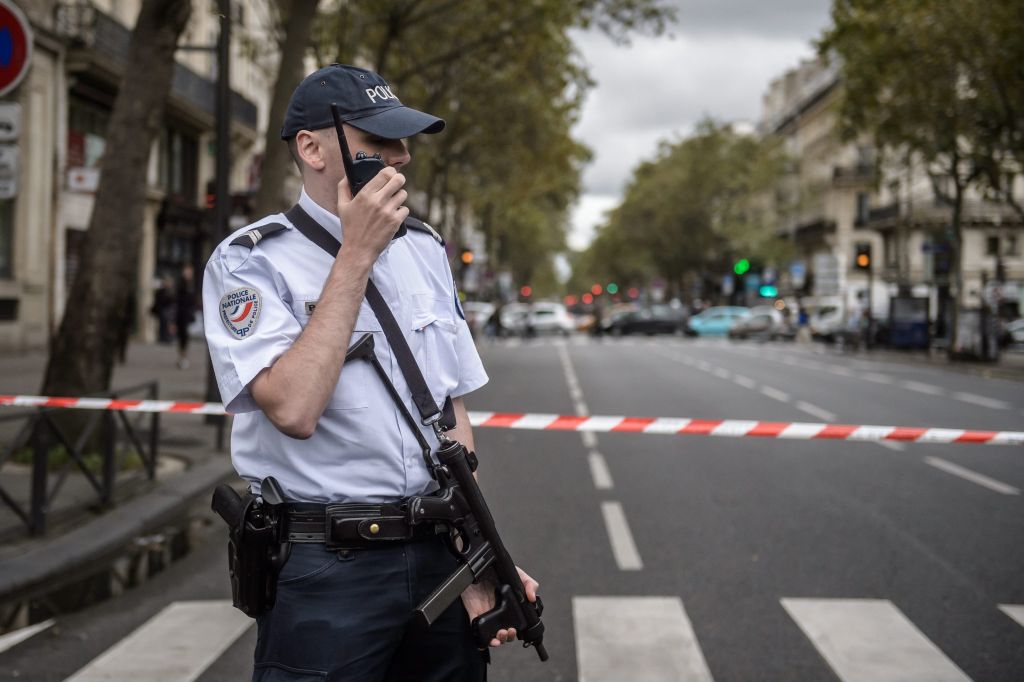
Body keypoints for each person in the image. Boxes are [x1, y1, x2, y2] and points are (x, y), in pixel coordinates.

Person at [202, 64, 537, 682]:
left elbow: (452, 419)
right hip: (326, 570)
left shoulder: (424, 248)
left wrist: (479, 553)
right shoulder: (251, 262)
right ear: (312, 147)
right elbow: (294, 408)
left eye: (404, 142)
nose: (402, 157)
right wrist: (355, 252)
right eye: (378, 143)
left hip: (439, 554)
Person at [174, 264, 197, 369]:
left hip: (186, 315)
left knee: (185, 338)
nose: (190, 274)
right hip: (181, 315)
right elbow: (179, 302)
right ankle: (182, 358)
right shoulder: (182, 285)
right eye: (188, 272)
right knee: (182, 338)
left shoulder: (190, 285)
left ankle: (183, 358)